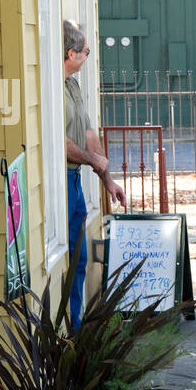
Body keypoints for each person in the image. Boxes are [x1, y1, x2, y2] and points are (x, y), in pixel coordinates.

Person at [63, 21, 125, 326]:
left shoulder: (72, 83)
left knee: (80, 258)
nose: (88, 56)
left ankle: (77, 329)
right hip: (60, 180)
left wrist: (107, 178)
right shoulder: (52, 87)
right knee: (72, 258)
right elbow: (61, 144)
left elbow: (88, 133)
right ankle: (71, 330)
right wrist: (92, 160)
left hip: (75, 181)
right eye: (86, 51)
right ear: (71, 53)